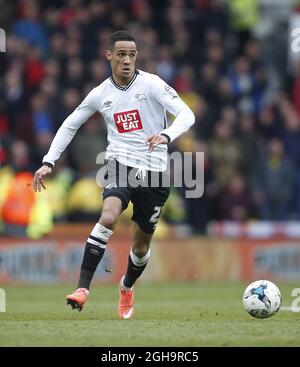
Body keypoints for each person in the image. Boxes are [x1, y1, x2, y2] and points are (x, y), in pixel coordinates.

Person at [33, 30, 195, 319]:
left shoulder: (153, 85)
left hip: (155, 173)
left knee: (141, 246)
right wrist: (49, 161)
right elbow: (70, 124)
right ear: (109, 55)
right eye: (121, 54)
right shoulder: (100, 93)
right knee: (108, 216)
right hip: (120, 164)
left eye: (132, 55)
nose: (127, 60)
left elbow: (186, 114)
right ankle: (82, 289)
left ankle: (127, 286)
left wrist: (167, 135)